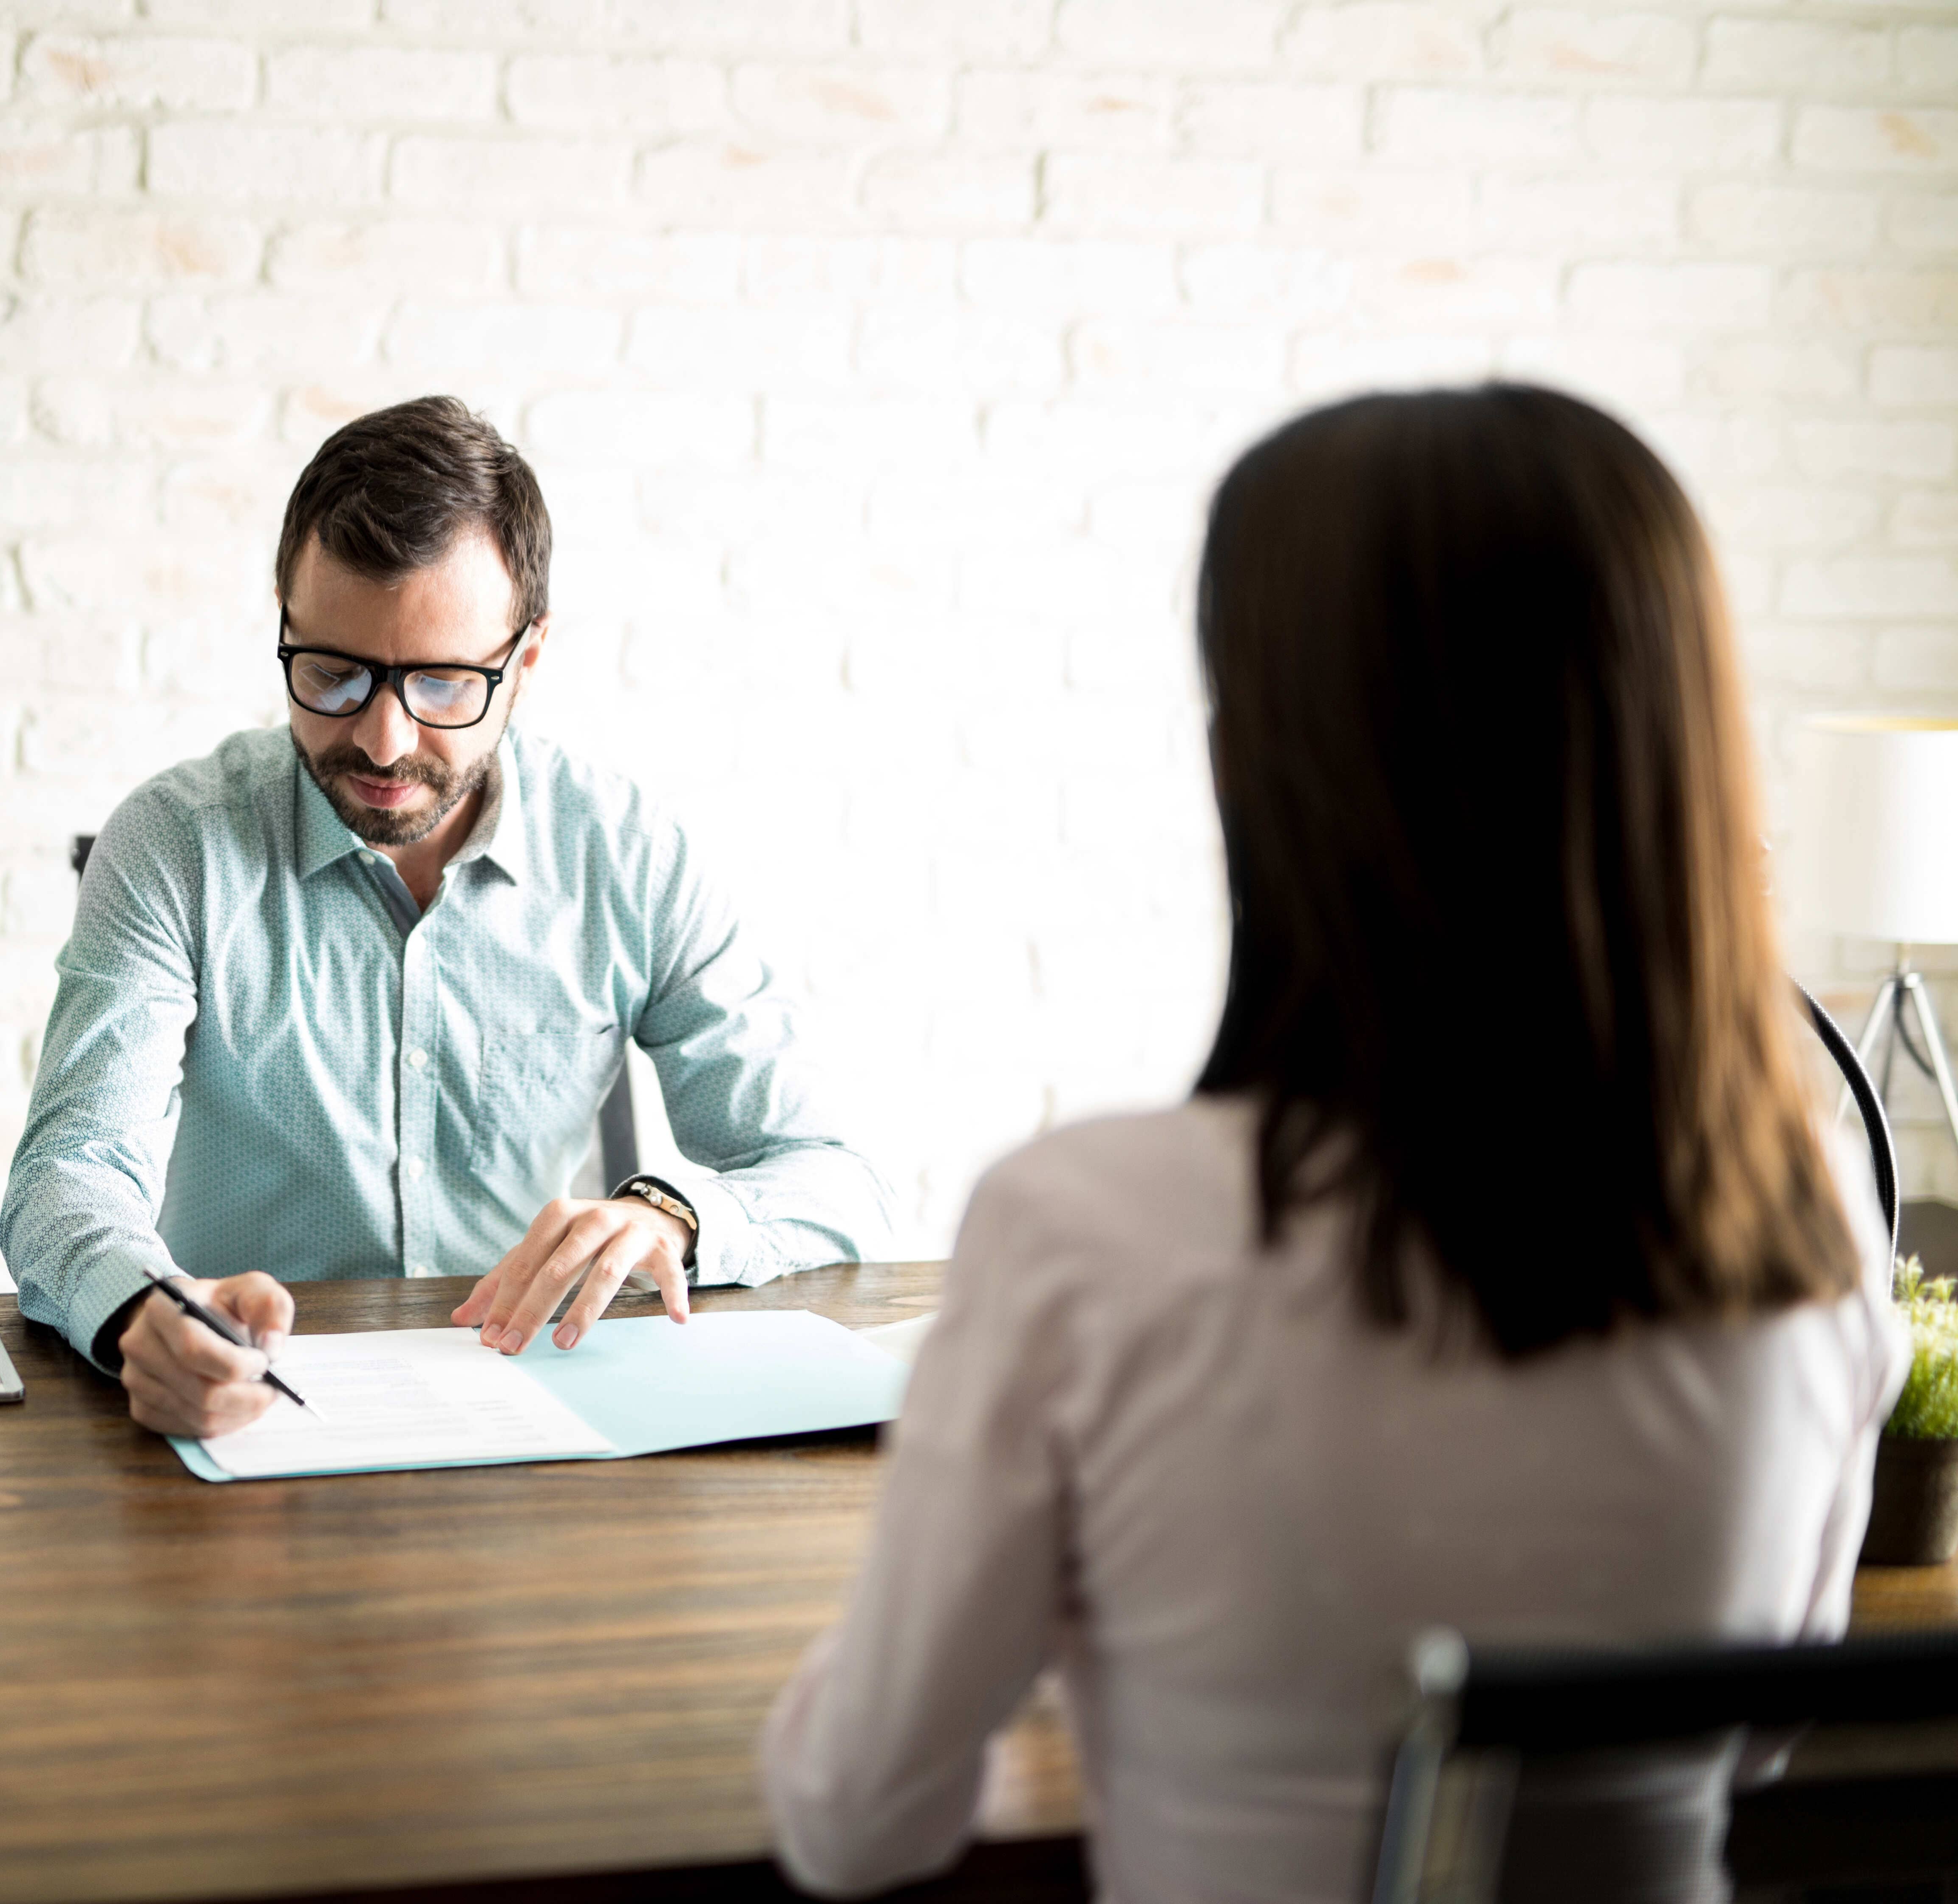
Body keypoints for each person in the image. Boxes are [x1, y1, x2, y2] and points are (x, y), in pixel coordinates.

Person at [759, 385, 1908, 1901]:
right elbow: (1752, 1740)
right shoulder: (1810, 1213)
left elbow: (860, 1823)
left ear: (1263, 763)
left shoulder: (1082, 1229)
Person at [2, 395, 896, 1439]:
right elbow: (67, 1177)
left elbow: (835, 1182)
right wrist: (137, 1311)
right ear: (283, 624)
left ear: (525, 658)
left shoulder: (627, 853)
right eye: (333, 673)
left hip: (545, 1426)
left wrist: (674, 1218)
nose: (382, 742)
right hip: (262, 1418)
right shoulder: (174, 843)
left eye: (441, 683)